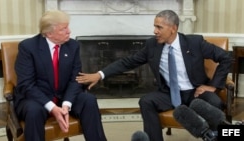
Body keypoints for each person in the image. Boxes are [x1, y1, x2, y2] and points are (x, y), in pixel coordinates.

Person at [76, 9, 232, 141]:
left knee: (214, 101)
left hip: (195, 92)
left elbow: (225, 57)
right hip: (169, 93)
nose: (155, 31)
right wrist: (99, 74)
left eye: (159, 27)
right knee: (146, 101)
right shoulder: (152, 45)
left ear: (173, 28)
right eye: (154, 26)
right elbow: (127, 62)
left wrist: (212, 86)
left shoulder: (194, 43)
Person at [14, 10, 107, 141]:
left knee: (89, 101)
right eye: (63, 29)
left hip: (64, 95)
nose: (69, 31)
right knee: (33, 111)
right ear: (49, 33)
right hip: (36, 98)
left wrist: (66, 104)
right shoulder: (28, 47)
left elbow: (76, 78)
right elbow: (26, 85)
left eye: (68, 27)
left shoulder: (73, 46)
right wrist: (52, 107)